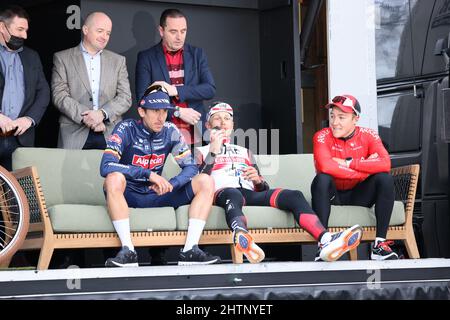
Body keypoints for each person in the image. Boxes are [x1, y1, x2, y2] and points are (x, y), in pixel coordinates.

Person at [195, 101, 363, 263]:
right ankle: (243, 237)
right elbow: (200, 180)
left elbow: (262, 188)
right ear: (208, 126)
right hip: (223, 193)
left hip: (248, 193)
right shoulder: (200, 151)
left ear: (232, 125)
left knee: (294, 196)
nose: (223, 122)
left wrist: (258, 180)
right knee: (233, 194)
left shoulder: (245, 152)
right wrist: (213, 151)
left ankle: (325, 239)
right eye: (218, 118)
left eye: (227, 118)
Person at [100, 85, 220, 267]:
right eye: (155, 111)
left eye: (164, 111)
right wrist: (149, 174)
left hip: (158, 194)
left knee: (205, 181)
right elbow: (106, 166)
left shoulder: (170, 130)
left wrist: (171, 183)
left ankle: (189, 250)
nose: (161, 117)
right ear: (141, 111)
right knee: (113, 177)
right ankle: (128, 251)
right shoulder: (125, 128)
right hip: (130, 194)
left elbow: (191, 167)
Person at [311, 94, 399, 260]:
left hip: (360, 194)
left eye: (341, 117)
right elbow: (325, 166)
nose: (335, 122)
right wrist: (365, 168)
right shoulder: (321, 135)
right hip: (333, 195)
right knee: (322, 179)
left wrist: (348, 163)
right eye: (332, 116)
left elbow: (385, 163)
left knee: (384, 178)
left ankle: (379, 245)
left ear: (355, 119)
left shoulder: (369, 135)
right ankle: (323, 245)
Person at [51, 11, 132, 150]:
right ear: (85, 30)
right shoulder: (62, 58)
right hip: (74, 132)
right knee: (72, 172)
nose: (104, 37)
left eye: (108, 33)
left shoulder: (118, 61)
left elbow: (125, 98)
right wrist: (88, 117)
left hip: (110, 133)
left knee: (113, 172)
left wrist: (102, 114)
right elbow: (59, 95)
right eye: (100, 31)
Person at [135, 8, 215, 146]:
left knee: (199, 168)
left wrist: (177, 90)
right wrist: (177, 111)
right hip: (162, 135)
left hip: (197, 136)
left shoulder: (197, 54)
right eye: (173, 32)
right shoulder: (146, 57)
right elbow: (143, 99)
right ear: (161, 31)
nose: (179, 37)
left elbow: (210, 89)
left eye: (183, 31)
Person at [0, 5, 49, 171]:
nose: (24, 35)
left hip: (22, 139)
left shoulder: (32, 56)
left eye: (26, 30)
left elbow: (43, 92)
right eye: (20, 29)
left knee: (19, 193)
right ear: (2, 27)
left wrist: (29, 119)